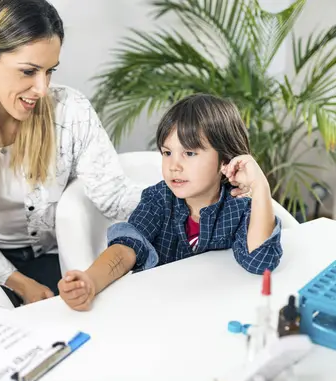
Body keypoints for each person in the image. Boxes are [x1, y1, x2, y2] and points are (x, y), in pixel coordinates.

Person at [0, 0, 143, 307]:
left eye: (49, 71)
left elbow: (114, 195)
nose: (42, 88)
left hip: (55, 255)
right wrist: (21, 284)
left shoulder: (71, 110)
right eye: (28, 71)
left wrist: (198, 195)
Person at [58, 94, 284, 311]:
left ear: (225, 159)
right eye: (167, 152)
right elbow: (126, 248)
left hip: (217, 308)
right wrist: (90, 281)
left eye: (189, 153)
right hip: (161, 309)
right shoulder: (158, 200)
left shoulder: (239, 206)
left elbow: (260, 262)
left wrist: (260, 187)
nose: (174, 165)